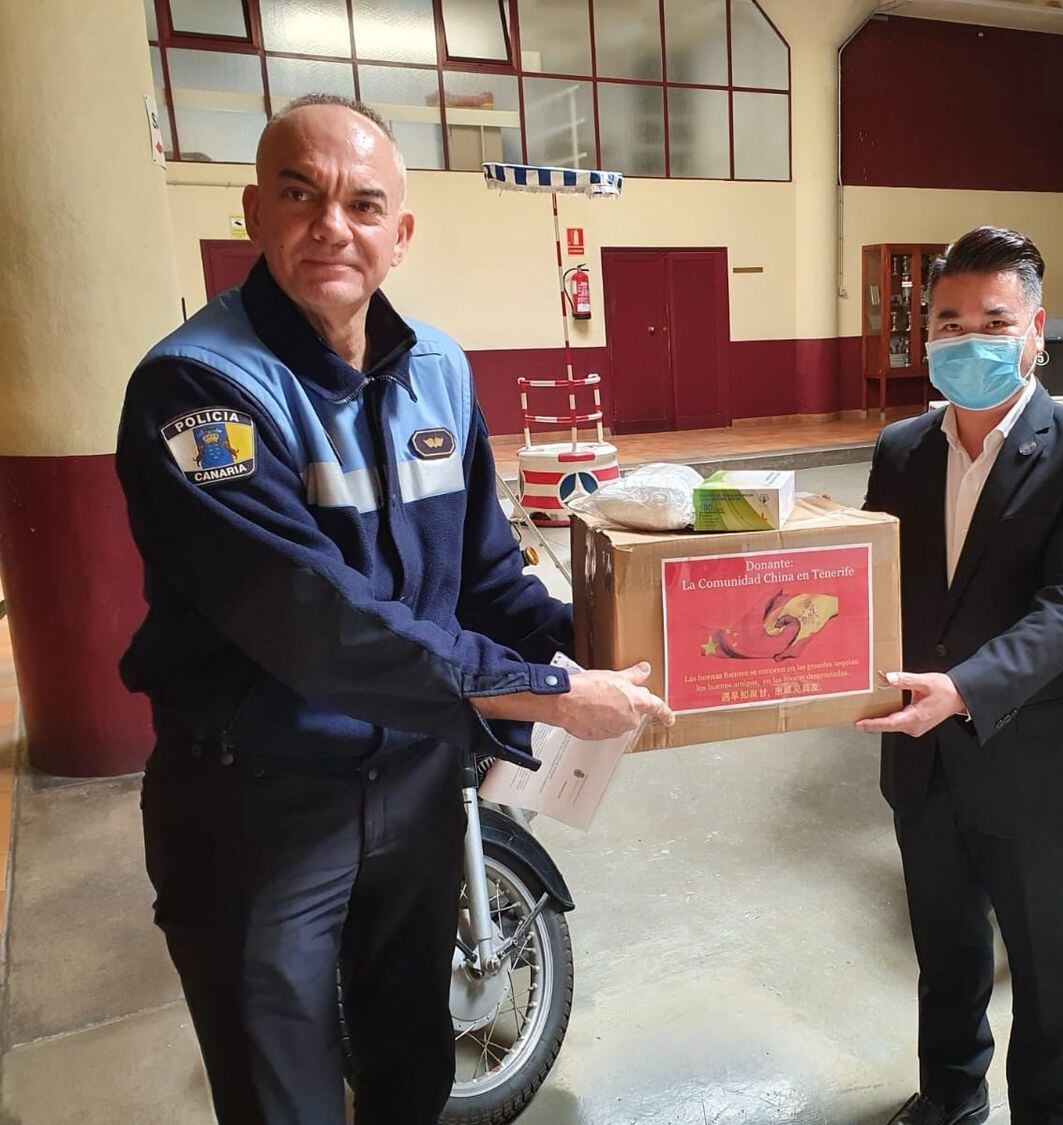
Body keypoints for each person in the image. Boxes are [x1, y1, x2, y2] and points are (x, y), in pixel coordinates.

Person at [115, 95, 672, 1125]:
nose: (334, 224)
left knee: (411, 1063)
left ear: (400, 233)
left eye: (365, 203)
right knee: (281, 1090)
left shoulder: (439, 373)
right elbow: (313, 623)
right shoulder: (200, 388)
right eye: (301, 194)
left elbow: (489, 583)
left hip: (414, 785)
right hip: (260, 809)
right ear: (253, 212)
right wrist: (549, 692)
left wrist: (643, 642)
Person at [860, 227, 1063, 1125]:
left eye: (993, 318)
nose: (968, 337)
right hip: (923, 757)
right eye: (948, 320)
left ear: (1035, 329)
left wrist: (967, 687)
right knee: (944, 947)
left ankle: (1046, 1109)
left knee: (1044, 958)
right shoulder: (901, 449)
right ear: (925, 335)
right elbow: (866, 583)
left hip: (1034, 762)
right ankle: (950, 1091)